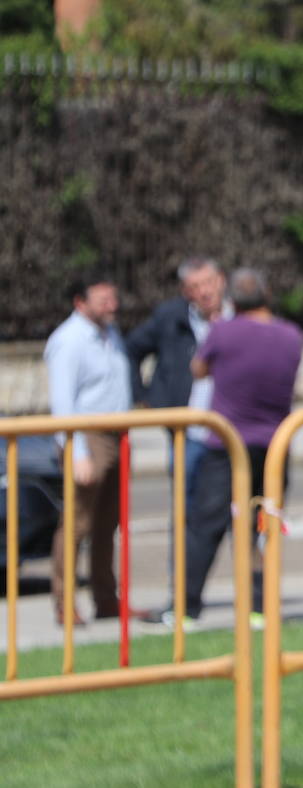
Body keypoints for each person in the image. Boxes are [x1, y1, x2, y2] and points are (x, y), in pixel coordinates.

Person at [166, 268, 302, 626]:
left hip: (226, 444)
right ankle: (260, 607)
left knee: (205, 526)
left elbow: (198, 370)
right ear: (267, 293)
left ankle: (185, 608)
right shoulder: (291, 336)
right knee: (263, 527)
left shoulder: (223, 331)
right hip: (274, 447)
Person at [44, 271, 133, 626]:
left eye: (113, 298)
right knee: (77, 524)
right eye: (103, 300)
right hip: (87, 436)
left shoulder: (110, 334)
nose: (112, 306)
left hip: (117, 435)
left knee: (107, 524)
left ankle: (105, 598)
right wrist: (76, 450)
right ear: (80, 303)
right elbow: (63, 401)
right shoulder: (69, 340)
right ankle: (65, 604)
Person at [125, 256, 232, 484]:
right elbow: (131, 349)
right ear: (186, 291)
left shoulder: (241, 317)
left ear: (221, 281)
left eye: (208, 282)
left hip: (232, 425)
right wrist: (146, 397)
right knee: (186, 502)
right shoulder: (171, 317)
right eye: (195, 286)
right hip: (188, 429)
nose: (204, 292)